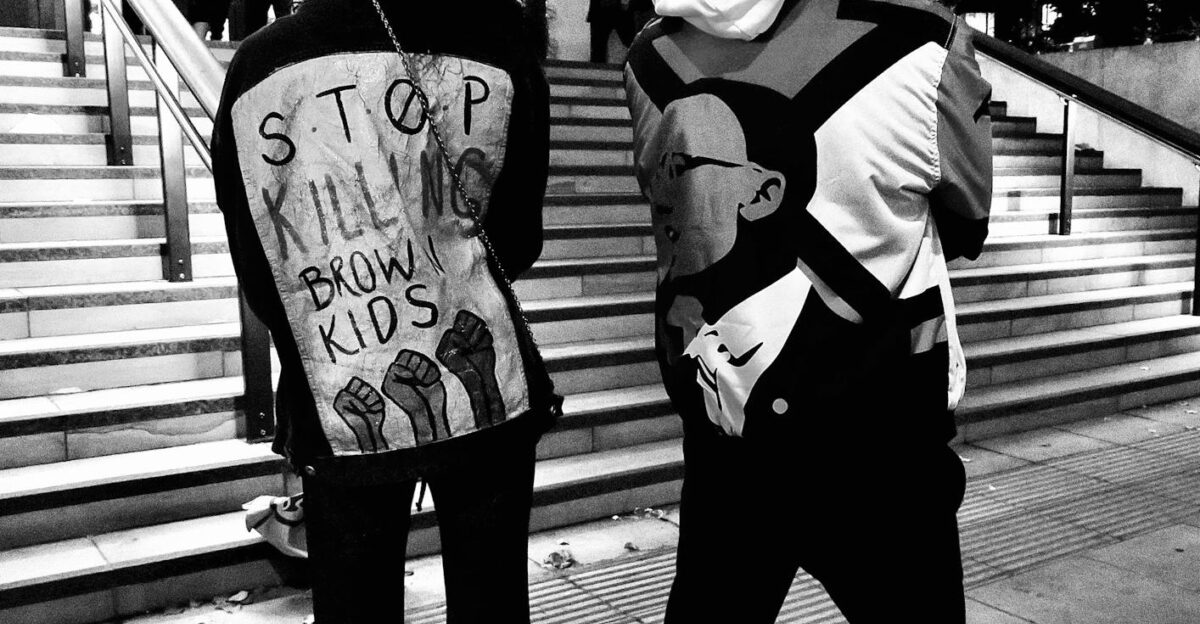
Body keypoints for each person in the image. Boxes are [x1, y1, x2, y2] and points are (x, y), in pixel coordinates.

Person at [624, 0, 992, 622]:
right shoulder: (926, 37)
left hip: (724, 445)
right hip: (883, 449)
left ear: (766, 192)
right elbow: (967, 218)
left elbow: (677, 217)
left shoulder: (647, 58)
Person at [211, 0, 556, 622]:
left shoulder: (261, 64)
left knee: (355, 604)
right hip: (488, 380)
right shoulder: (501, 50)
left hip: (339, 381)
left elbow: (259, 264)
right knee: (493, 598)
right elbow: (520, 242)